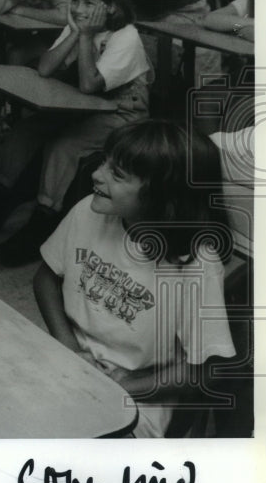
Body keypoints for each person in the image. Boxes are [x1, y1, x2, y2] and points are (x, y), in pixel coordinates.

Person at [33, 119, 236, 437]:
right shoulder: (89, 210)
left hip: (139, 392)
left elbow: (207, 369)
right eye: (105, 162)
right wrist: (69, 347)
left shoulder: (197, 264)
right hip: (71, 360)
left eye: (117, 174)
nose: (96, 174)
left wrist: (124, 385)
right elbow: (45, 277)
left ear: (163, 198)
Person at [0, 0, 153, 266]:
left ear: (110, 7)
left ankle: (42, 221)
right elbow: (45, 69)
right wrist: (75, 31)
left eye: (88, 3)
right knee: (26, 130)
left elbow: (89, 84)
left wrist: (84, 35)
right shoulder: (79, 25)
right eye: (75, 0)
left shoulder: (127, 36)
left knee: (64, 145)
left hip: (122, 114)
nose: (77, 8)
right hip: (84, 106)